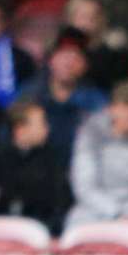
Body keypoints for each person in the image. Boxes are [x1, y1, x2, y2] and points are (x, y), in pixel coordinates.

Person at [66, 83, 128, 231]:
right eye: (124, 107)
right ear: (111, 109)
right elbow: (84, 186)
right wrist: (116, 213)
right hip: (91, 211)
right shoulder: (90, 134)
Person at [0, 99, 71, 235]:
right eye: (41, 123)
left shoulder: (54, 159)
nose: (47, 128)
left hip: (40, 232)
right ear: (21, 129)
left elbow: (60, 204)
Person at [17, 28, 108, 166]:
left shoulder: (97, 102)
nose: (68, 63)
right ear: (51, 59)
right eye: (63, 55)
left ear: (85, 65)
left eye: (76, 57)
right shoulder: (28, 96)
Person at [63, 0, 128, 90]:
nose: (88, 23)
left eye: (93, 17)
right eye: (83, 17)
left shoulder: (113, 51)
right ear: (71, 19)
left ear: (102, 20)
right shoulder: (60, 48)